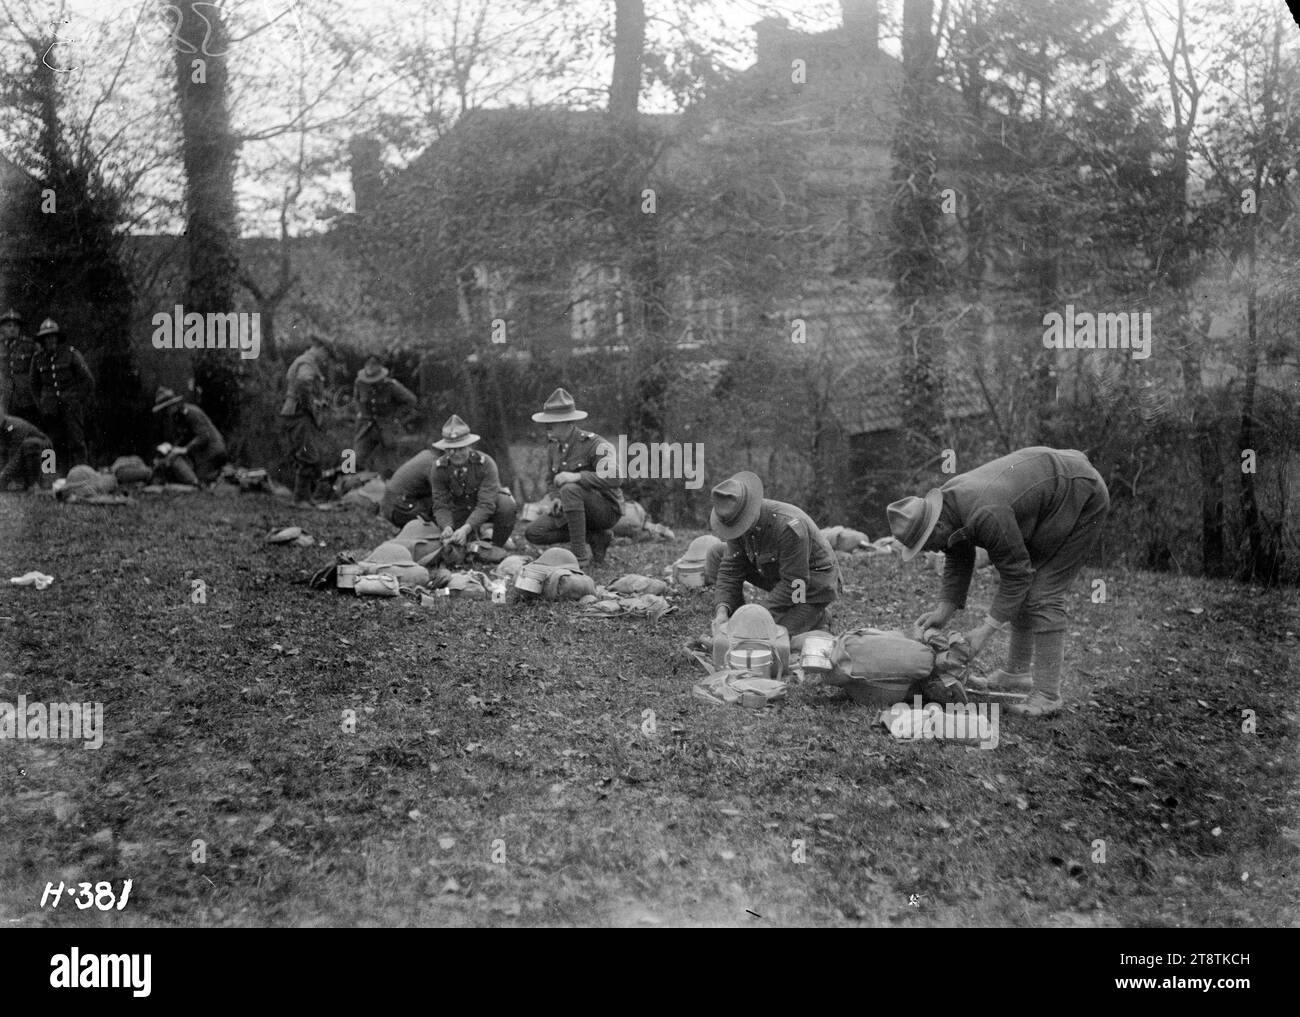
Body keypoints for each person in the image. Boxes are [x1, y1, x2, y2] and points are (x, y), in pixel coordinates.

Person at [887, 446, 1111, 717]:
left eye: (928, 543)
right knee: (1024, 583)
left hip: (1080, 494)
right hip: (1052, 496)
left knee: (1043, 593)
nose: (931, 550)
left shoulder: (985, 512)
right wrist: (944, 610)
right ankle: (1016, 673)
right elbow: (959, 554)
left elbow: (1018, 576)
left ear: (937, 526)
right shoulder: (949, 510)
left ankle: (1048, 696)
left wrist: (985, 631)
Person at [709, 470, 840, 637]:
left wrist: (757, 614)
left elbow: (795, 583)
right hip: (777, 573)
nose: (739, 530)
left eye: (741, 524)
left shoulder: (788, 526)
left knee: (771, 635)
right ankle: (738, 617)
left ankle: (817, 617)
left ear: (751, 509)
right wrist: (722, 610)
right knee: (718, 553)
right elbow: (730, 570)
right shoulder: (734, 519)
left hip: (808, 587)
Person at [523, 388, 622, 569]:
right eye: (547, 422)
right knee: (534, 532)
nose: (547, 427)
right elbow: (550, 480)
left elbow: (615, 478)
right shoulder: (554, 447)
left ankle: (579, 559)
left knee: (570, 488)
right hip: (573, 506)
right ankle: (596, 537)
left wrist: (576, 476)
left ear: (568, 422)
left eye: (552, 422)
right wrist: (555, 498)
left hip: (605, 510)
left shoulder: (594, 444)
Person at [428, 414, 517, 548]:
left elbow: (486, 504)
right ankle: (479, 537)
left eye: (461, 448)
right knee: (458, 546)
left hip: (483, 509)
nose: (456, 453)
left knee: (506, 504)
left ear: (469, 446)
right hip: (459, 511)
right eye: (451, 449)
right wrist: (447, 526)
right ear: (445, 449)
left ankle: (497, 545)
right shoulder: (439, 468)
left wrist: (466, 528)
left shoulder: (485, 463)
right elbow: (441, 505)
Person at [279, 333, 337, 507]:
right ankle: (300, 499)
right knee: (309, 457)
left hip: (296, 412)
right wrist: (312, 404)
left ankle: (304, 498)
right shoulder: (307, 363)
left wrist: (319, 399)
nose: (326, 359)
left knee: (307, 455)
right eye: (326, 354)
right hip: (299, 414)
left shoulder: (304, 361)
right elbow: (304, 383)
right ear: (321, 349)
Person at [29, 318, 94, 470]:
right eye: (46, 337)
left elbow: (87, 380)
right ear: (42, 340)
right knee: (49, 443)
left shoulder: (71, 354)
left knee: (76, 441)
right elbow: (33, 385)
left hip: (71, 406)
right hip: (49, 410)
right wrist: (41, 404)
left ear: (58, 338)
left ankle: (81, 476)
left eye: (52, 336)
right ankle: (50, 477)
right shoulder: (38, 359)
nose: (50, 340)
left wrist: (77, 400)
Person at [151, 386, 229, 485]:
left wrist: (185, 449)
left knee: (201, 479)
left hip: (213, 451)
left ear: (174, 405)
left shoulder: (192, 413)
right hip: (201, 453)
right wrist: (172, 448)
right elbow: (184, 437)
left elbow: (204, 436)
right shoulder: (177, 418)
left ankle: (222, 475)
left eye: (167, 409)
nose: (166, 413)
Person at [352, 354, 417, 472]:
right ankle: (346, 485)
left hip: (386, 427)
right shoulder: (359, 383)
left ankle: (392, 486)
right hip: (365, 427)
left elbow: (411, 400)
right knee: (354, 459)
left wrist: (396, 417)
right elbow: (356, 400)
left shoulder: (390, 385)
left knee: (391, 465)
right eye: (368, 364)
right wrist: (361, 414)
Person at [1, 309, 39, 421]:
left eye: (16, 326)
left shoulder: (29, 346)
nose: (12, 329)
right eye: (9, 325)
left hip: (26, 399)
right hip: (6, 399)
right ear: (2, 328)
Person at [0, 413, 52, 490]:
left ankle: (34, 484)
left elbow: (14, 457)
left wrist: (3, 476)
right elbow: (3, 454)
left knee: (29, 444)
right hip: (30, 452)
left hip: (45, 451)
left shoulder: (15, 427)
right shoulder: (4, 428)